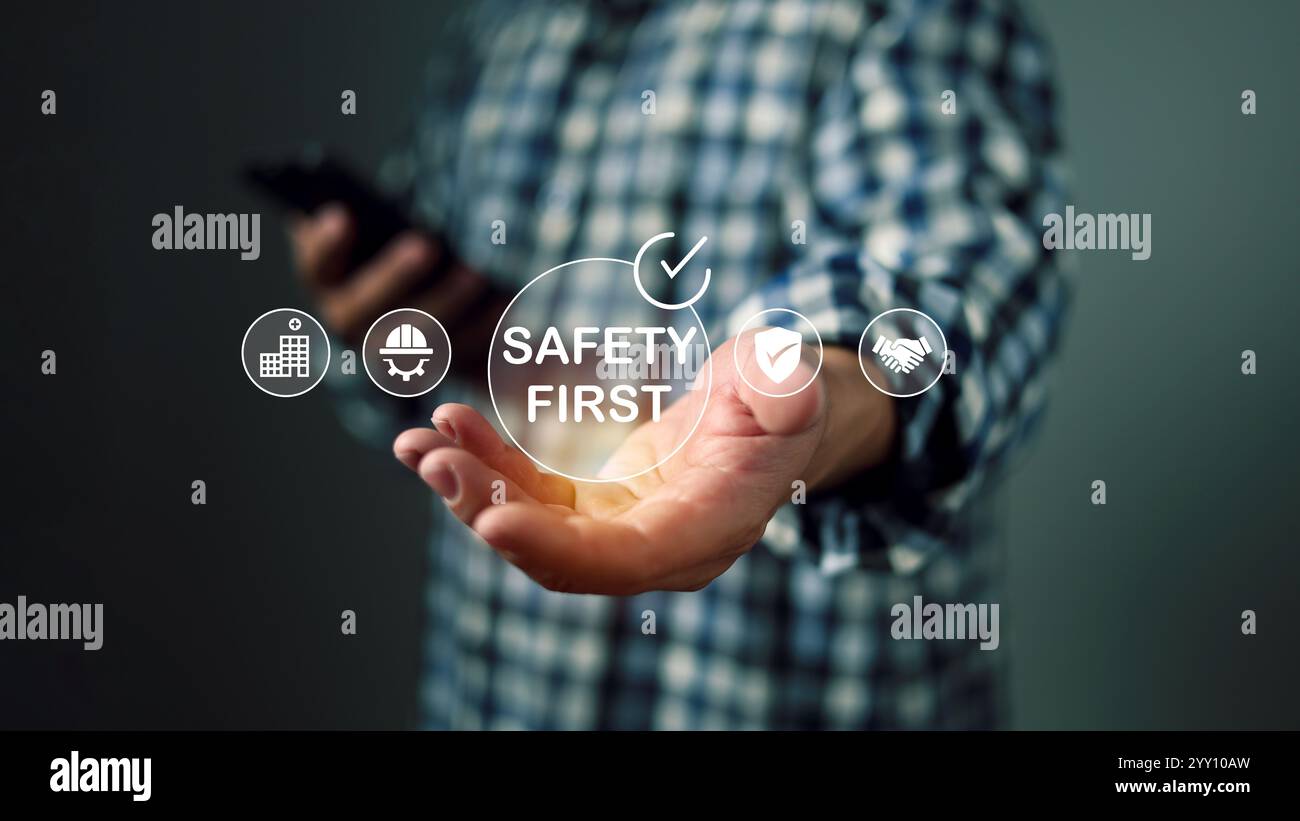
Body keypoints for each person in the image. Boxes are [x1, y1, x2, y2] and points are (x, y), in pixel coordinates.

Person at [290, 0, 1068, 729]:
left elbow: (960, 292)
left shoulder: (891, 15)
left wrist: (818, 398)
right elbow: (398, 376)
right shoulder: (493, 34)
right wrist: (393, 326)